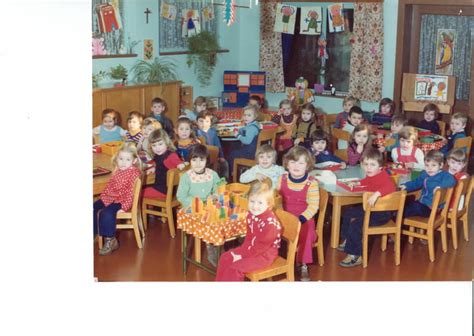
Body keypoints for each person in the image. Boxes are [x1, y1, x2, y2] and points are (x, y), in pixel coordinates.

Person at [338, 148, 397, 267]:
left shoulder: (384, 176)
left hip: (381, 213)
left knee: (356, 224)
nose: (368, 168)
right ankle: (347, 240)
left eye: (372, 165)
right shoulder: (372, 174)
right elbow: (368, 181)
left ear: (380, 167)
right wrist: (358, 183)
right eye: (365, 164)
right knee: (349, 213)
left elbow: (391, 187)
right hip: (370, 209)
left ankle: (355, 256)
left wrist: (377, 194)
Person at [215, 178, 282, 281]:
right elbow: (249, 237)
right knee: (225, 258)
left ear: (268, 204)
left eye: (260, 203)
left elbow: (260, 248)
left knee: (235, 268)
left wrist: (242, 256)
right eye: (252, 201)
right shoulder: (251, 215)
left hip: (264, 255)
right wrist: (242, 251)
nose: (255, 206)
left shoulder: (270, 225)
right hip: (250, 248)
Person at [277, 146, 319, 281]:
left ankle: (303, 264)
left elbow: (313, 206)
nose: (296, 166)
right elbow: (276, 198)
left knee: (306, 233)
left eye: (301, 163)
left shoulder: (311, 183)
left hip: (303, 218)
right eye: (293, 162)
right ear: (287, 164)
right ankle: (273, 257)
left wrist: (301, 219)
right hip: (284, 215)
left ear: (307, 166)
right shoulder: (282, 179)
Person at [93, 142, 142, 255]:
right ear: (117, 159)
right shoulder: (117, 171)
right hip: (110, 198)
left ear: (134, 161)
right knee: (93, 208)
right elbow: (110, 186)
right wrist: (103, 197)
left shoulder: (134, 173)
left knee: (107, 213)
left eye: (127, 160)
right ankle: (95, 232)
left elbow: (131, 193)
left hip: (121, 200)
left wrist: (124, 207)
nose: (123, 162)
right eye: (121, 159)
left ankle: (111, 240)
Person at [176, 144, 221, 267]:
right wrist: (198, 203)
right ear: (189, 160)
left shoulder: (212, 174)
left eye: (201, 160)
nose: (198, 163)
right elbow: (181, 196)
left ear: (207, 160)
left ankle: (220, 245)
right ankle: (211, 247)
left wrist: (215, 195)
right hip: (192, 207)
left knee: (221, 218)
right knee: (207, 221)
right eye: (194, 160)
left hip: (210, 206)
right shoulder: (186, 177)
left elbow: (219, 188)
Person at [400, 150, 456, 218]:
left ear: (441, 165)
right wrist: (406, 186)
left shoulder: (444, 175)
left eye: (433, 165)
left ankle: (397, 217)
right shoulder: (425, 174)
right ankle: (397, 215)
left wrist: (441, 187)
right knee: (405, 202)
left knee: (412, 207)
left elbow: (452, 180)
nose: (430, 168)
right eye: (427, 165)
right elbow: (416, 182)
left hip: (432, 208)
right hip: (422, 203)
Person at [142, 129, 186, 200]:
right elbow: (163, 165)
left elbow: (180, 165)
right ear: (150, 146)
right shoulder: (159, 155)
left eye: (160, 144)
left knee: (137, 193)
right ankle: (151, 208)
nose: (157, 148)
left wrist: (180, 166)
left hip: (163, 191)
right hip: (162, 189)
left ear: (166, 142)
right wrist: (154, 168)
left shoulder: (171, 155)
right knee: (143, 188)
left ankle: (139, 210)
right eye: (154, 145)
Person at [227, 105, 261, 178]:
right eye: (245, 115)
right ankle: (237, 168)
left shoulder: (251, 128)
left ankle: (233, 173)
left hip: (250, 153)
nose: (246, 117)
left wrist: (238, 136)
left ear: (255, 116)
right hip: (253, 150)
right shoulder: (255, 124)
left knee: (232, 154)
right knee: (233, 145)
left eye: (249, 115)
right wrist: (240, 130)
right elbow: (246, 128)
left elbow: (247, 141)